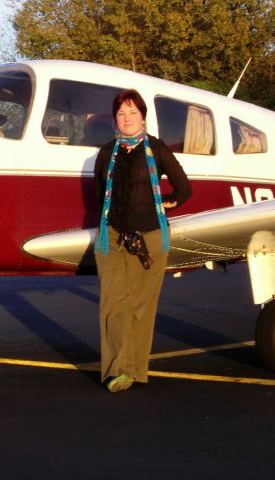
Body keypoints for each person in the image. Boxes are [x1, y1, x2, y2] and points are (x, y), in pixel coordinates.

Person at [93, 89, 192, 393]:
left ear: (143, 117)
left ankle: (133, 370)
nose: (127, 118)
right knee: (113, 304)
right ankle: (116, 371)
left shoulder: (157, 149)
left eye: (132, 112)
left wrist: (165, 204)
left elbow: (184, 189)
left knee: (139, 306)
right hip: (111, 236)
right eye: (121, 113)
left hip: (149, 235)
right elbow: (100, 192)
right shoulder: (107, 152)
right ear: (115, 119)